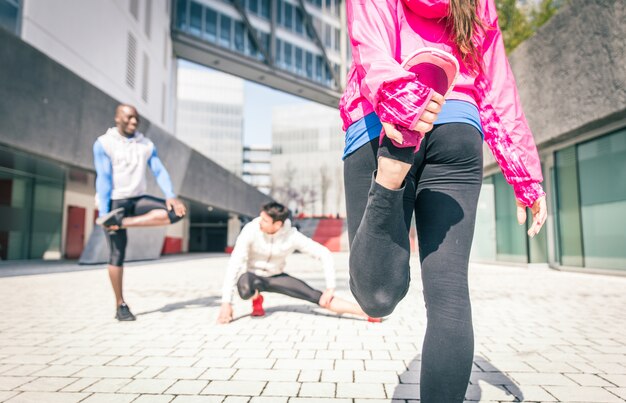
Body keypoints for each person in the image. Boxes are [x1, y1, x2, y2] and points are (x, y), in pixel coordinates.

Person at [340, 0, 547, 402]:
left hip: (382, 117)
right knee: (450, 295)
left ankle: (390, 176)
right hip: (456, 122)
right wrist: (526, 175)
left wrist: (401, 101)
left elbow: (370, 44)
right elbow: (498, 87)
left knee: (376, 297)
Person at [93, 104, 186, 321]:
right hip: (114, 200)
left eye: (136, 118)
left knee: (177, 212)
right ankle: (120, 305)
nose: (134, 122)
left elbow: (159, 170)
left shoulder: (145, 144)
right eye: (129, 118)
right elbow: (103, 178)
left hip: (137, 199)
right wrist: (106, 214)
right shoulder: (104, 143)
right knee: (117, 255)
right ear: (117, 118)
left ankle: (123, 223)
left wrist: (170, 195)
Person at [217, 202, 380, 324]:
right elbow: (234, 264)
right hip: (253, 277)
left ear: (278, 224)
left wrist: (330, 288)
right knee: (244, 288)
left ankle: (366, 314)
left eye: (265, 220)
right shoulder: (251, 230)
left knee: (317, 297)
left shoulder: (291, 235)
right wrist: (226, 303)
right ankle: (256, 298)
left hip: (276, 276)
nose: (260, 221)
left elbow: (324, 254)